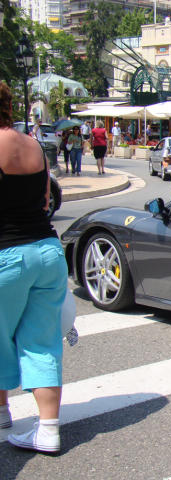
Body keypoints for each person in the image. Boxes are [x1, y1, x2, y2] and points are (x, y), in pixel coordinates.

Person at [0, 81, 68, 454]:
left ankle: (2, 413)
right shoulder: (33, 145)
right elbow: (46, 199)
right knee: (42, 342)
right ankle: (48, 430)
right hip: (47, 251)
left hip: (7, 255)